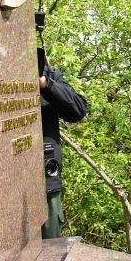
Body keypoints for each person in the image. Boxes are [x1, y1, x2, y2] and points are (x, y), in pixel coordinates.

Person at [40, 62, 89, 239]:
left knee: (49, 253)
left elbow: (78, 110)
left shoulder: (47, 72)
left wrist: (47, 85)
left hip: (46, 184)